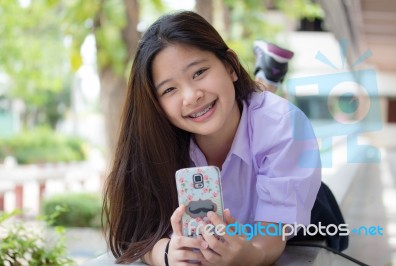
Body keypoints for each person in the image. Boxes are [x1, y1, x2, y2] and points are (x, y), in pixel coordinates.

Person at [102, 10, 321, 265]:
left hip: (297, 216)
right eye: (170, 89)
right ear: (156, 103)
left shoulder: (283, 124)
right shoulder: (153, 138)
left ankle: (266, 78)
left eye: (198, 72)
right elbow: (133, 237)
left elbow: (269, 241)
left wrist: (248, 255)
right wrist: (165, 253)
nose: (191, 95)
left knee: (262, 115)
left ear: (230, 66)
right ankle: (266, 76)